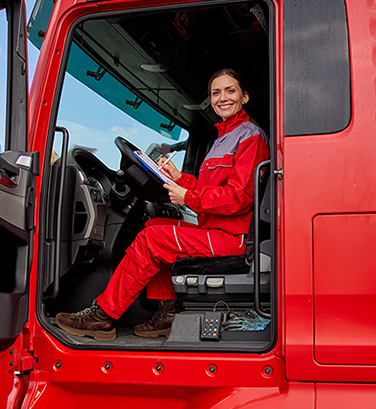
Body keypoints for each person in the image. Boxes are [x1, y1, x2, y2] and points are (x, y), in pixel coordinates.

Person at [56, 68, 270, 340]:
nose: (222, 98)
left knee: (152, 239)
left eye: (230, 91)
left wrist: (188, 197)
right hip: (217, 231)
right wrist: (180, 178)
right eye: (216, 92)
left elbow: (240, 198)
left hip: (236, 238)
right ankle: (167, 314)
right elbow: (213, 188)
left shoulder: (249, 137)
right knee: (155, 225)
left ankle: (102, 316)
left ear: (245, 97)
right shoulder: (222, 138)